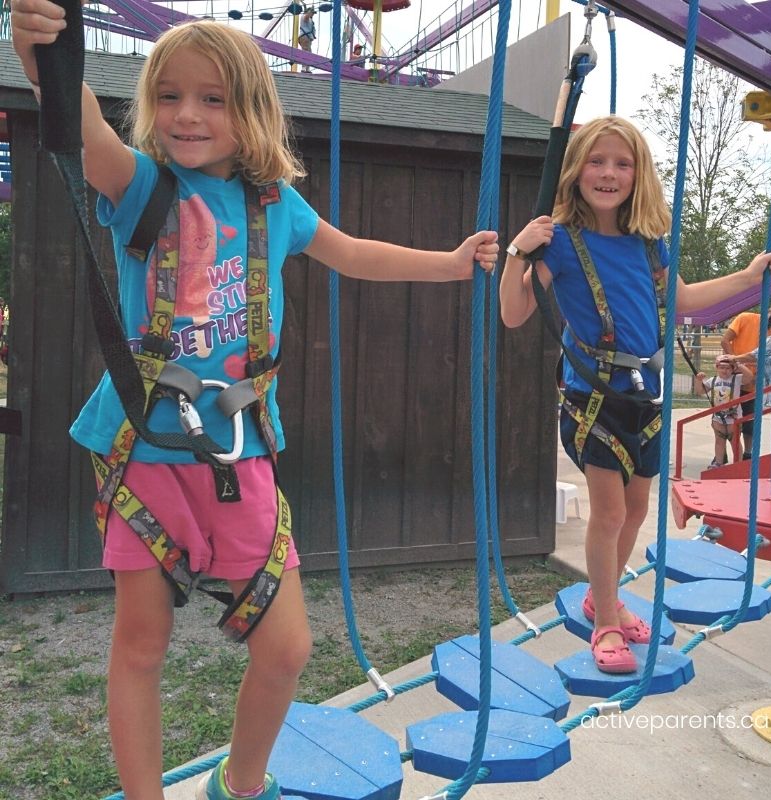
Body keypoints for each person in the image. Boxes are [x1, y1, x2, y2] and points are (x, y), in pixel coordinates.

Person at [10, 10, 498, 800]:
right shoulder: (143, 189)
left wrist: (448, 265)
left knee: (288, 647)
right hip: (149, 453)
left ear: (252, 112)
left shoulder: (275, 206)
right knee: (141, 644)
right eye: (169, 96)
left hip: (239, 451)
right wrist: (46, 58)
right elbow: (88, 134)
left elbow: (353, 253)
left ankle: (241, 784)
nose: (188, 115)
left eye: (213, 98)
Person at [499, 116, 771, 675]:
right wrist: (517, 254)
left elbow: (685, 300)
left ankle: (604, 598)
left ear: (637, 174)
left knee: (635, 508)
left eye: (621, 164)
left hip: (645, 398)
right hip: (594, 397)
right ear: (577, 170)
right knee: (606, 512)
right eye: (597, 162)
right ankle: (604, 619)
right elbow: (514, 314)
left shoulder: (650, 243)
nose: (608, 174)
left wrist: (748, 277)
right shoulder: (557, 244)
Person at [720, 304, 771, 458]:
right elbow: (725, 341)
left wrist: (757, 376)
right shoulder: (745, 318)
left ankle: (747, 453)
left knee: (749, 421)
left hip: (753, 385)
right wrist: (736, 364)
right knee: (726, 419)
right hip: (734, 380)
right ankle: (721, 453)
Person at [694, 354, 753, 468]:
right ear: (716, 368)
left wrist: (737, 364)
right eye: (721, 367)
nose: (725, 371)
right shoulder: (713, 380)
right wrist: (699, 380)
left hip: (734, 415)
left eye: (728, 368)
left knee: (734, 440)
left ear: (732, 369)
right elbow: (700, 391)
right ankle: (718, 463)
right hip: (718, 416)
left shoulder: (736, 379)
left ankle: (738, 464)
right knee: (719, 440)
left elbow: (749, 377)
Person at [297, 6, 315, 72]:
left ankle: (307, 67)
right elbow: (306, 17)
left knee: (308, 52)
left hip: (307, 38)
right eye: (312, 13)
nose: (313, 14)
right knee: (306, 52)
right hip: (305, 37)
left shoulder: (310, 20)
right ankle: (304, 67)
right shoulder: (305, 16)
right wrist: (309, 12)